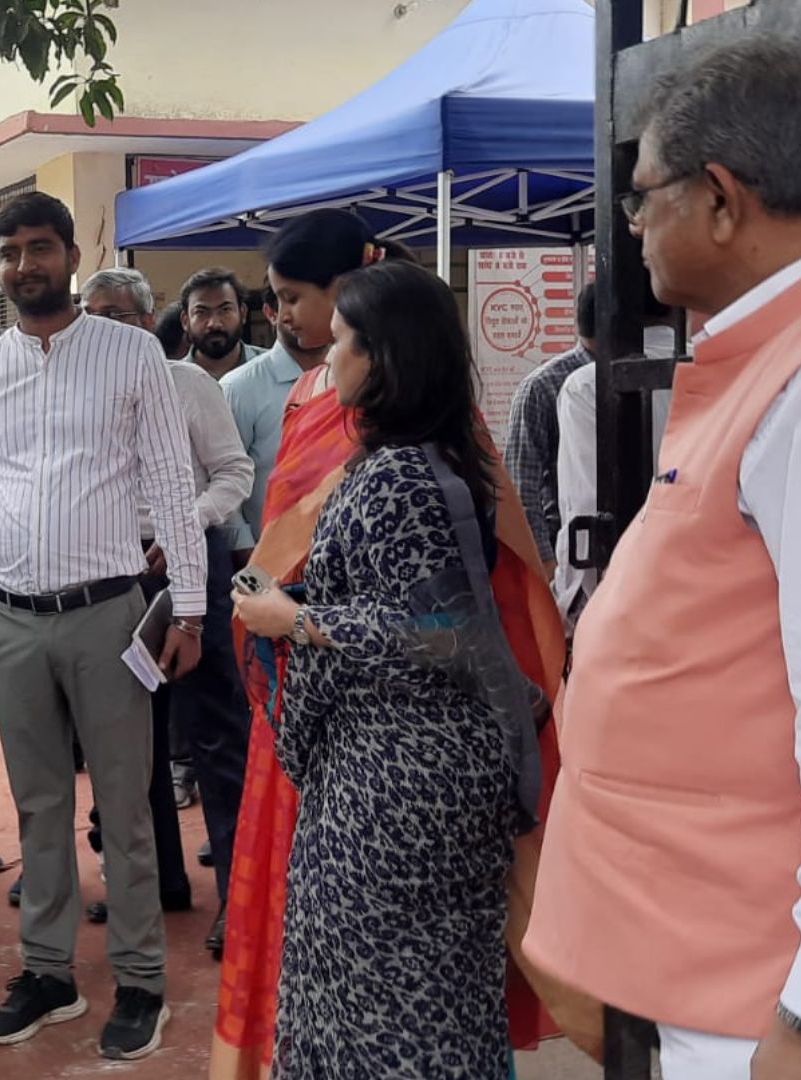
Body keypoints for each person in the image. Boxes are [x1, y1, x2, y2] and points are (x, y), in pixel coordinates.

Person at [526, 38, 801, 1079]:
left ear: (720, 199)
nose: (632, 226)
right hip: (741, 962)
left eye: (642, 198)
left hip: (798, 1002)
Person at [212, 209, 572, 1080]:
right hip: (387, 769)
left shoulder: (403, 474)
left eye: (340, 340)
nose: (322, 357)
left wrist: (295, 620)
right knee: (391, 999)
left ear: (383, 357)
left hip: (400, 785)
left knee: (393, 1009)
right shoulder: (414, 459)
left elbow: (442, 632)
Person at [0, 192, 207, 1061]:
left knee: (126, 809)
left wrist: (192, 609)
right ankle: (49, 973)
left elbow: (170, 481)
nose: (26, 264)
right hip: (11, 623)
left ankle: (140, 981)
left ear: (70, 254)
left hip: (109, 618)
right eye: (11, 251)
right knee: (39, 807)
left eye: (40, 247)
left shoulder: (132, 352)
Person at [81, 267, 254, 959]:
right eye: (93, 314)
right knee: (132, 741)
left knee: (216, 734)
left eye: (118, 315)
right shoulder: (78, 396)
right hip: (111, 573)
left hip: (192, 565)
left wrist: (188, 522)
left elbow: (234, 473)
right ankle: (157, 884)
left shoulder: (188, 385)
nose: (103, 327)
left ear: (150, 321)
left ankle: (241, 899)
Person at [551, 285, 675, 621]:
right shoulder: (714, 368)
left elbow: (585, 502)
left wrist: (574, 600)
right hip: (707, 578)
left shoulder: (588, 385)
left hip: (619, 588)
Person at [222, 279, 332, 547]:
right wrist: (244, 548)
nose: (307, 313)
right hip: (268, 556)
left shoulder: (355, 379)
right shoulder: (239, 388)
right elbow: (223, 477)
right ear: (271, 312)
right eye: (293, 301)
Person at [504, 284, 599, 581]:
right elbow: (522, 488)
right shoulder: (543, 386)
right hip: (567, 553)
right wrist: (546, 567)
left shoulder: (641, 373)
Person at [181, 267, 264, 382]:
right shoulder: (171, 380)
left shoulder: (271, 369)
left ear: (243, 313)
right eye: (201, 312)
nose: (214, 324)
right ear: (185, 321)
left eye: (225, 310)